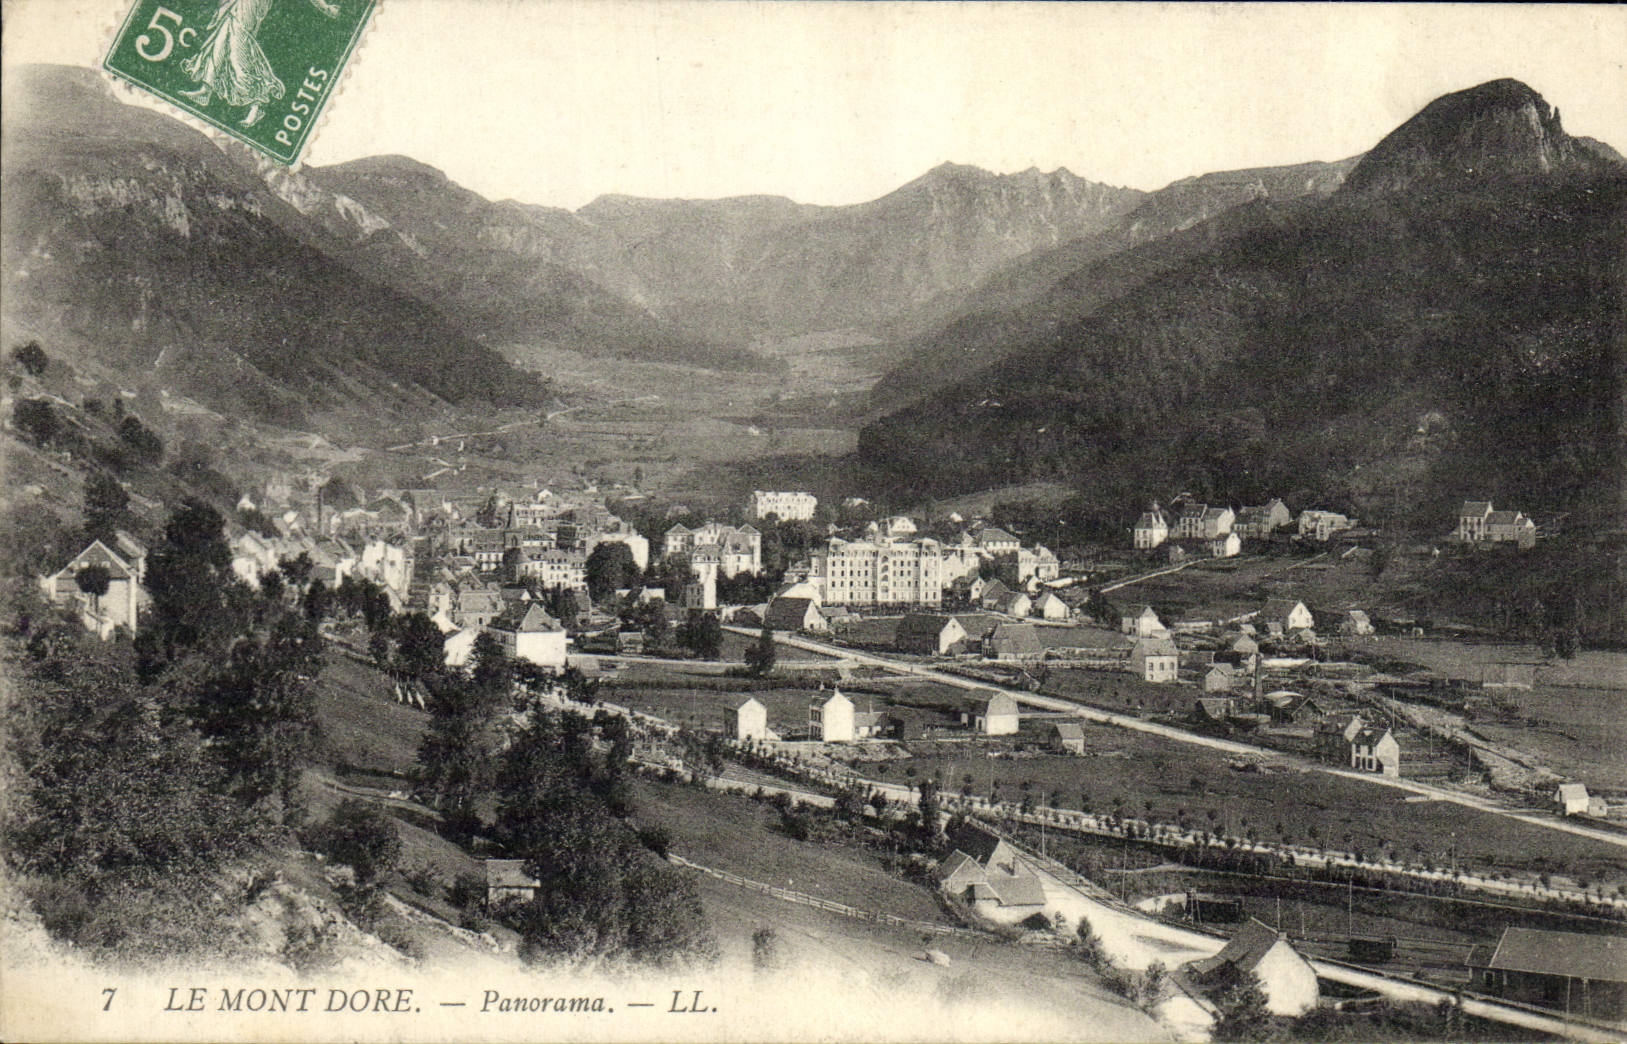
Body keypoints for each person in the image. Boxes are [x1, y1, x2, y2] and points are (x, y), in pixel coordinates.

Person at [179, 0, 340, 127]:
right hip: (237, 3)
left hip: (254, 4)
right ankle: (206, 90)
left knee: (239, 54)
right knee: (221, 40)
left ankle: (257, 105)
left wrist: (325, 7)